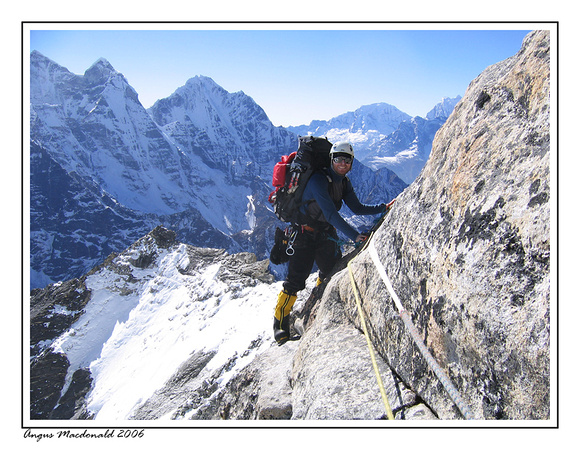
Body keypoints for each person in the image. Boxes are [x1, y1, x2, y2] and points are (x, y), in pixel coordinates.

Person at [273, 141, 390, 345]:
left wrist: (382, 208)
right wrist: (355, 236)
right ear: (331, 160)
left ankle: (317, 302)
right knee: (295, 281)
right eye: (338, 159)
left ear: (352, 163)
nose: (342, 163)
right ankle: (280, 324)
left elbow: (357, 208)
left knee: (330, 272)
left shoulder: (344, 183)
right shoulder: (318, 180)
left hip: (324, 233)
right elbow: (330, 214)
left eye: (346, 160)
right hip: (303, 234)